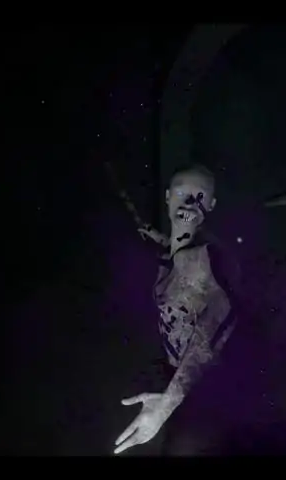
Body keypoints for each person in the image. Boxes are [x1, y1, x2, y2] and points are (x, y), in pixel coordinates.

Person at [113, 164, 239, 456]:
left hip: (210, 392)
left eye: (200, 195)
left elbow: (214, 327)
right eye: (182, 193)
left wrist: (166, 405)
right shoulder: (177, 248)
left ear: (211, 205)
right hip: (177, 379)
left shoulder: (209, 258)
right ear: (168, 197)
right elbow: (178, 248)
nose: (190, 202)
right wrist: (158, 237)